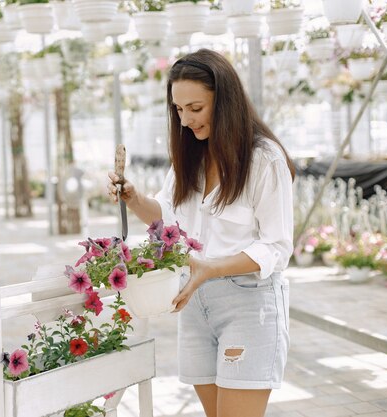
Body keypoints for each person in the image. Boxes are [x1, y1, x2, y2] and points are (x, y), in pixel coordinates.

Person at [107, 48, 295, 417]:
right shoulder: (190, 159)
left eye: (196, 108)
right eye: (178, 110)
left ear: (224, 102)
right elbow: (167, 215)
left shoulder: (264, 160)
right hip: (196, 302)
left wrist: (210, 267)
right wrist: (133, 198)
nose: (186, 119)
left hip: (248, 302)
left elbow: (277, 247)